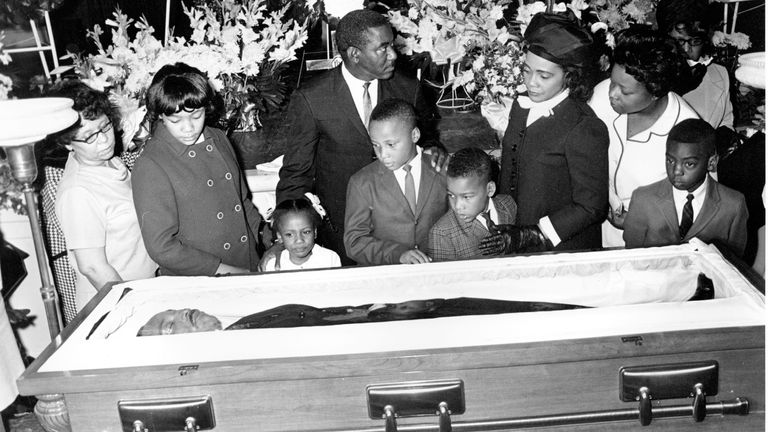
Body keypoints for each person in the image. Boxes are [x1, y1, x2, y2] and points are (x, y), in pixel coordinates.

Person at [276, 9, 443, 264]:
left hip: (403, 237)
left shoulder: (408, 88)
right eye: (383, 48)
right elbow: (296, 174)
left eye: (392, 45)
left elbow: (426, 138)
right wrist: (284, 233)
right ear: (354, 54)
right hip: (342, 235)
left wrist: (434, 149)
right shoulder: (312, 98)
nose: (393, 55)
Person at [491, 13, 609, 255]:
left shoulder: (583, 126)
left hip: (561, 249)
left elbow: (592, 206)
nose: (531, 83)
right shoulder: (521, 107)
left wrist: (534, 234)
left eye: (544, 76)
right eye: (526, 71)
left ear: (569, 75)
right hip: (514, 243)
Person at [132, 62, 263, 276]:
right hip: (201, 277)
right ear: (161, 116)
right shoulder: (150, 164)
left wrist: (269, 239)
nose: (188, 128)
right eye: (176, 120)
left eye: (196, 116)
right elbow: (162, 248)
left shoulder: (218, 138)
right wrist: (227, 271)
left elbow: (242, 202)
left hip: (247, 261)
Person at [49, 80, 157, 312]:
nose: (104, 140)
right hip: (114, 303)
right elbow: (92, 267)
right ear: (67, 143)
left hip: (144, 289)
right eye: (89, 136)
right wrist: (136, 308)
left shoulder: (108, 162)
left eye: (105, 127)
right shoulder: (78, 192)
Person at [588, 26, 698, 248]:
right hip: (593, 232)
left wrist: (639, 220)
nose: (612, 93)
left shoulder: (688, 133)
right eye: (612, 82)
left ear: (656, 92)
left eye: (625, 91)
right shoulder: (601, 97)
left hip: (650, 245)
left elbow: (699, 206)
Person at [344, 98, 447, 265]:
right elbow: (354, 242)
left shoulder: (442, 170)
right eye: (376, 145)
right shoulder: (362, 183)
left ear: (414, 135)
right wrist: (398, 254)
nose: (382, 154)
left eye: (390, 144)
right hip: (386, 276)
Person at [136, 297, 586, 336]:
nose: (183, 311)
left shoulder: (242, 326)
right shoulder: (240, 341)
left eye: (173, 309)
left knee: (475, 307)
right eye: (170, 323)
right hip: (386, 327)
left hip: (382, 316)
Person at [623, 119, 748, 256]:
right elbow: (632, 258)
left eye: (689, 164)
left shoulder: (733, 205)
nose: (676, 171)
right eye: (670, 161)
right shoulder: (643, 199)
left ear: (711, 163)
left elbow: (734, 262)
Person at [427, 148, 517, 261]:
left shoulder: (508, 204)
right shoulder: (441, 233)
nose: (458, 206)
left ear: (490, 189)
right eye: (451, 195)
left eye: (467, 197)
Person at [261, 198, 341, 271]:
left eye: (306, 232)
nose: (299, 240)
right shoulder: (272, 265)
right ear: (280, 236)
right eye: (289, 234)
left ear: (315, 232)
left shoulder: (330, 259)